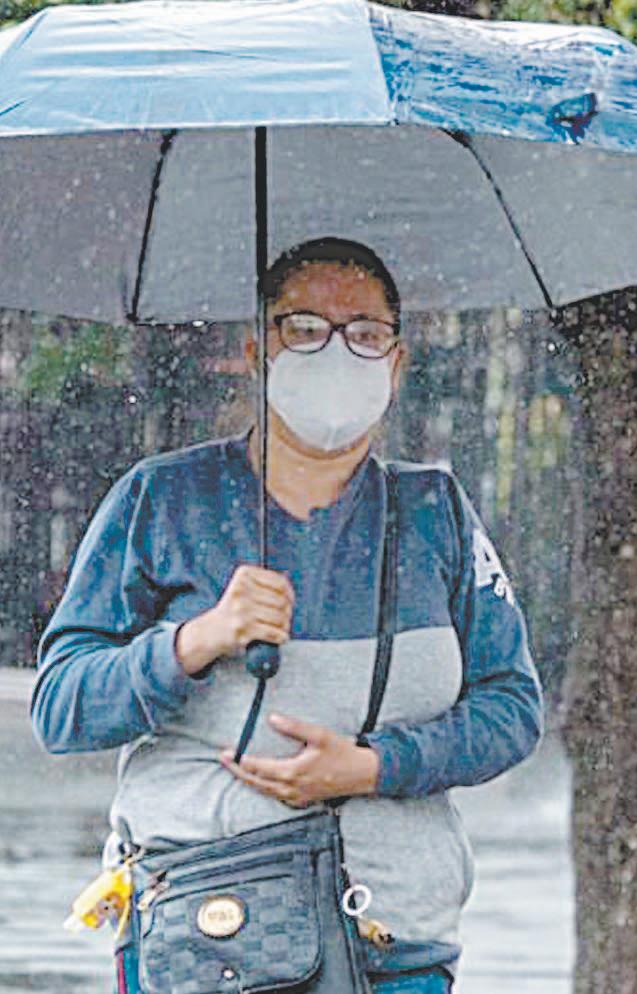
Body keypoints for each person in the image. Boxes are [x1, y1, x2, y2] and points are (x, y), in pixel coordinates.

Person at [32, 238, 543, 993]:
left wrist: (375, 766)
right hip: (206, 938)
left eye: (364, 332)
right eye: (304, 328)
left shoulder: (434, 514)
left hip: (393, 947)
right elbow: (61, 708)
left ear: (397, 362)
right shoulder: (162, 499)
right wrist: (195, 641)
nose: (336, 352)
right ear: (256, 351)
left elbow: (512, 708)